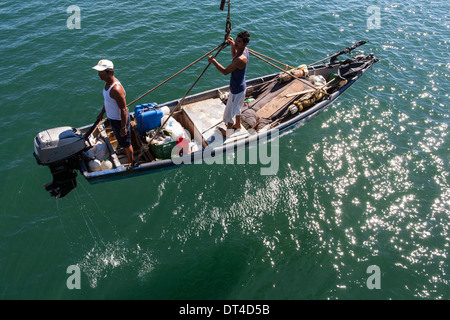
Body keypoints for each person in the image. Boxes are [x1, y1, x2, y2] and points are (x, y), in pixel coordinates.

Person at [208, 31, 250, 137]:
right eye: (236, 40)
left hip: (236, 89)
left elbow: (225, 72)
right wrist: (232, 45)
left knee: (230, 112)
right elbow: (234, 56)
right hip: (241, 87)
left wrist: (213, 61)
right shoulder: (243, 51)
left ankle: (228, 133)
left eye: (239, 42)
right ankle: (238, 125)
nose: (236, 42)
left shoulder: (241, 59)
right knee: (237, 108)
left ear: (245, 44)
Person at [93, 59, 134, 164]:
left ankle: (131, 162)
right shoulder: (107, 84)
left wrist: (123, 127)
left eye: (101, 72)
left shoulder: (116, 89)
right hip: (113, 119)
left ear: (110, 72)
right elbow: (108, 102)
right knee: (121, 140)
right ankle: (125, 152)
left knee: (126, 143)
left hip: (120, 121)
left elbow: (124, 110)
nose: (98, 74)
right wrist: (102, 113)